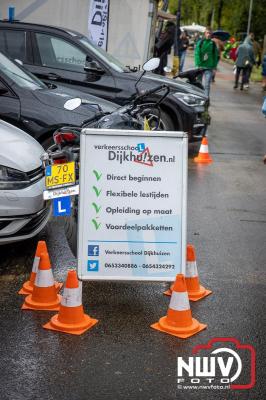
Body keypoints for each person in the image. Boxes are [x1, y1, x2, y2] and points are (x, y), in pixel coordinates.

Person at [194, 27, 219, 97]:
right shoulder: (200, 42)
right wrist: (197, 64)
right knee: (198, 83)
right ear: (205, 33)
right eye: (207, 33)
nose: (208, 34)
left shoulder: (213, 44)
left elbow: (215, 56)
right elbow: (197, 54)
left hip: (209, 67)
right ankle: (198, 97)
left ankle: (206, 99)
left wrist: (214, 67)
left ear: (211, 34)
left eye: (210, 33)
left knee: (207, 84)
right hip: (200, 66)